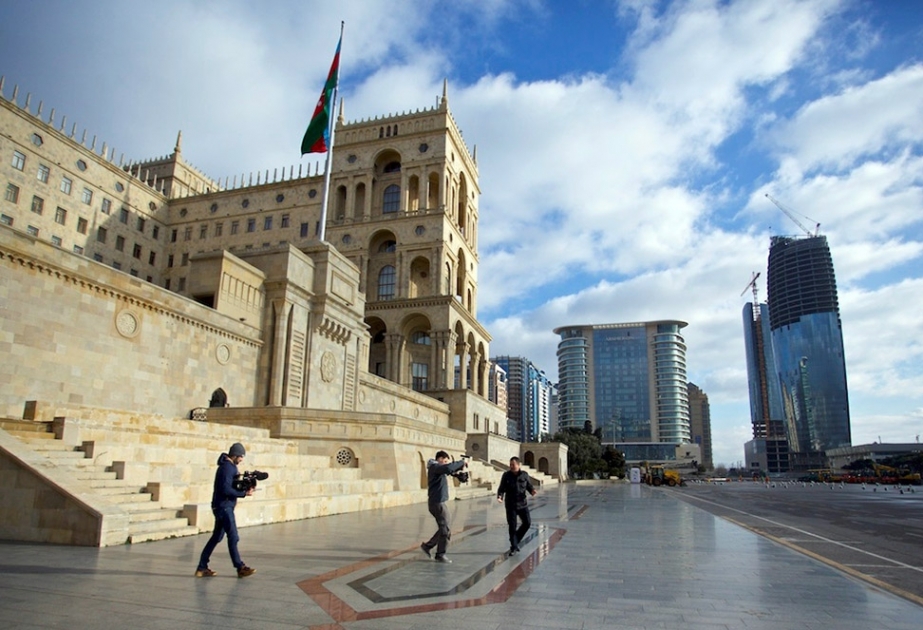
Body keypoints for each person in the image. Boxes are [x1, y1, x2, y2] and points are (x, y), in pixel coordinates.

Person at [195, 442, 256, 578]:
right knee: (233, 536)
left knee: (217, 537)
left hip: (222, 506)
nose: (241, 459)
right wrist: (243, 494)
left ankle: (202, 567)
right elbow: (225, 489)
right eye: (240, 456)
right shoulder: (228, 468)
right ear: (234, 455)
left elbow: (229, 486)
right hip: (224, 507)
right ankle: (240, 567)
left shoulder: (228, 467)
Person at [420, 450, 467, 563]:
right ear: (440, 459)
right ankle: (440, 554)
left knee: (444, 527)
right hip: (437, 503)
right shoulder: (435, 467)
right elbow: (447, 468)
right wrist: (462, 462)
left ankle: (428, 546)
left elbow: (450, 471)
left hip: (440, 503)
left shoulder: (438, 469)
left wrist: (459, 475)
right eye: (445, 461)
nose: (446, 463)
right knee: (445, 529)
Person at [497, 456, 536, 554]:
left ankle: (515, 540)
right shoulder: (506, 475)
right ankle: (514, 547)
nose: (511, 466)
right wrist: (500, 496)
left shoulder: (524, 475)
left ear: (518, 465)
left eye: (513, 465)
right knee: (512, 526)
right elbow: (501, 488)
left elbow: (529, 486)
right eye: (510, 465)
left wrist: (532, 491)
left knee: (527, 523)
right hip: (511, 505)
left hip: (522, 504)